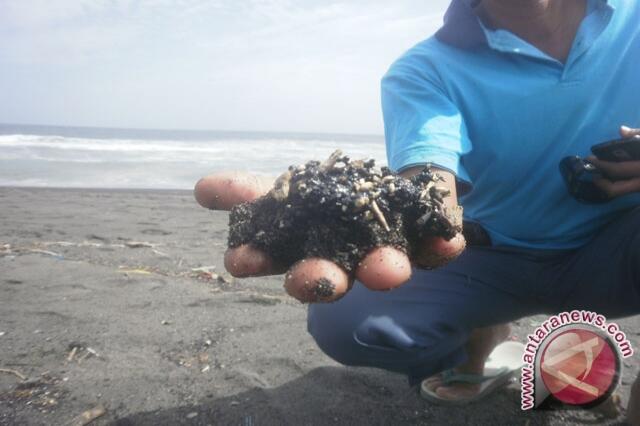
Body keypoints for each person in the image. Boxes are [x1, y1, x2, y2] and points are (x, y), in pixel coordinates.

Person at [195, 0, 640, 421]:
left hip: (617, 250)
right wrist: (415, 207)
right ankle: (481, 342)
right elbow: (427, 173)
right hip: (488, 257)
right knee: (346, 321)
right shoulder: (426, 70)